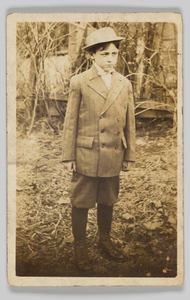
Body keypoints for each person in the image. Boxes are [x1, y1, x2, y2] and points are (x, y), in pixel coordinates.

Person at [62, 27, 135, 271]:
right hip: (86, 152)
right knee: (81, 200)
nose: (110, 59)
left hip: (113, 152)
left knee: (108, 199)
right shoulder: (80, 82)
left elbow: (129, 123)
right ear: (92, 55)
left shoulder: (124, 84)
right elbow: (70, 121)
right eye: (104, 53)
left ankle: (105, 240)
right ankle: (80, 246)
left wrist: (129, 154)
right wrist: (68, 155)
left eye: (114, 54)